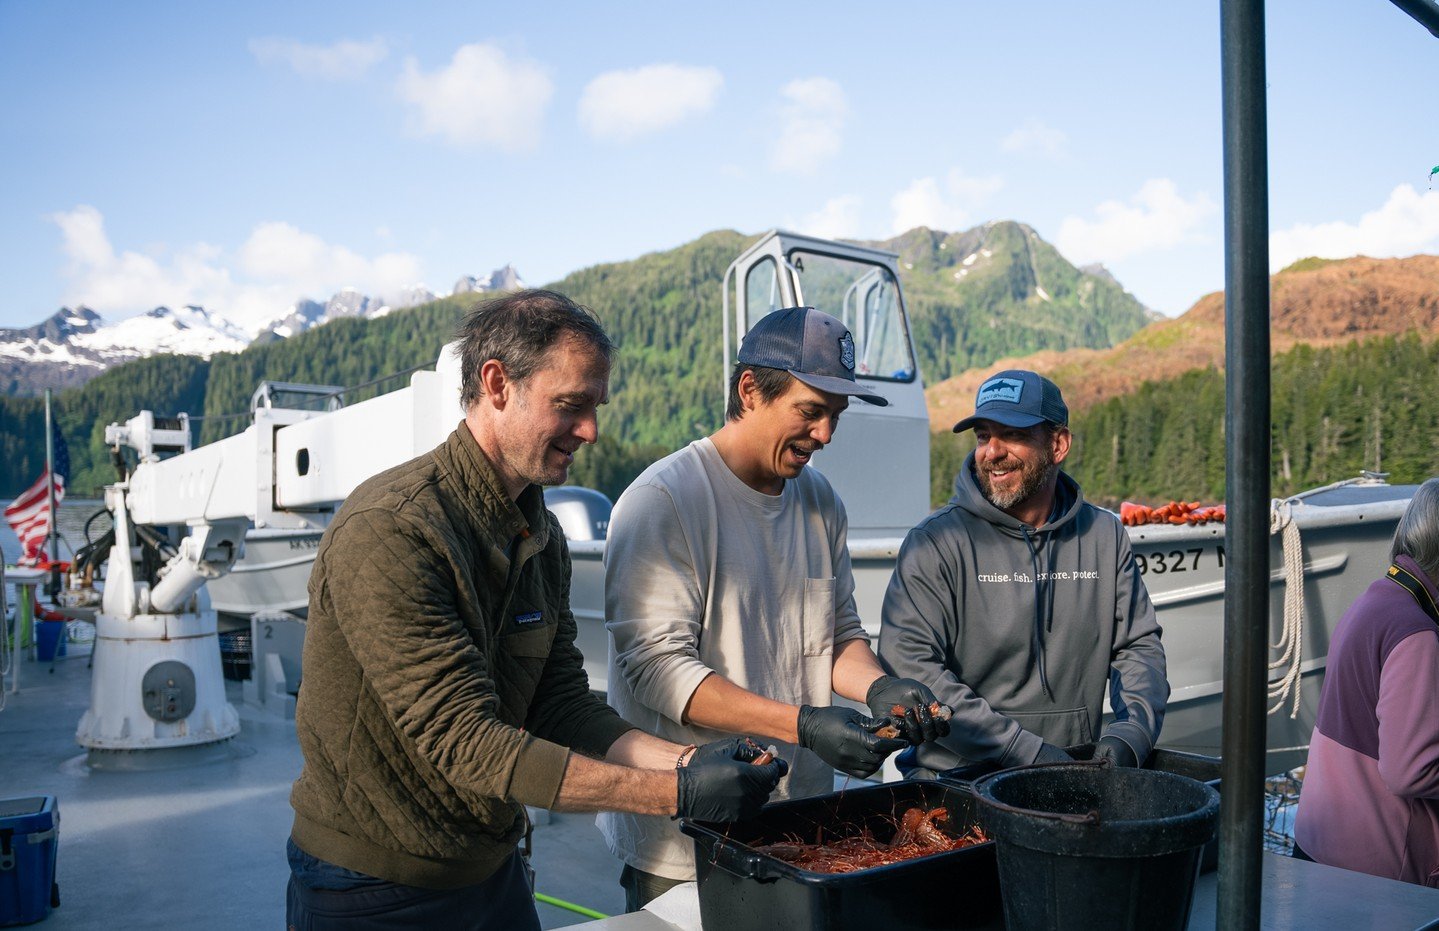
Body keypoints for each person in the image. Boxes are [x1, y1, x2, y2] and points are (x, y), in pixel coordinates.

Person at [285, 289, 788, 930]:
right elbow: (467, 743)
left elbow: (559, 703)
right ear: (497, 384)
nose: (591, 431)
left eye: (595, 408)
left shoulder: (538, 534)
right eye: (571, 406)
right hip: (372, 889)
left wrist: (692, 761)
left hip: (493, 872)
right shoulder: (393, 529)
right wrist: (679, 792)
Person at [599, 306, 949, 910]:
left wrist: (878, 688)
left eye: (835, 417)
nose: (826, 436)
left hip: (801, 818)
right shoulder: (665, 501)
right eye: (810, 412)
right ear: (750, 391)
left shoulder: (821, 502)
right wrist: (806, 726)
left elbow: (837, 632)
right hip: (685, 833)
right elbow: (658, 673)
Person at [878, 369, 1168, 777]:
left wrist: (1130, 736)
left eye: (1011, 434)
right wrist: (1024, 751)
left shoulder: (1104, 535)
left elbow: (1137, 648)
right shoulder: (935, 541)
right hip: (955, 779)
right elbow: (910, 664)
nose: (991, 452)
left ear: (1058, 444)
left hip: (1071, 769)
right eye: (983, 436)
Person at [1293, 477, 1439, 886]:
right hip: (1375, 871)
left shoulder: (1377, 598)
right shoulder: (1416, 631)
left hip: (1320, 845)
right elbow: (1410, 771)